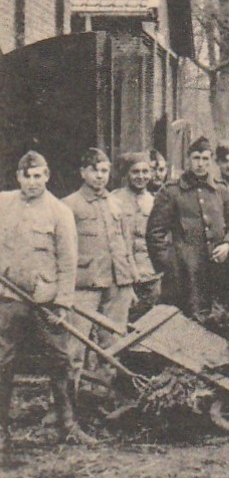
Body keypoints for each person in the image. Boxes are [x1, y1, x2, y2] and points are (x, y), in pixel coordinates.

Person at [0, 152, 93, 451]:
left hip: (46, 303)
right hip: (10, 299)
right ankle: (2, 431)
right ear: (18, 177)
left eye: (38, 176)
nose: (32, 182)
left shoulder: (59, 211)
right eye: (27, 176)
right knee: (3, 362)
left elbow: (68, 262)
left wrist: (63, 304)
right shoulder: (3, 204)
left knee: (60, 362)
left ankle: (67, 425)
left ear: (47, 175)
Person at [147, 137, 229, 318]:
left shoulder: (220, 190)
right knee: (190, 320)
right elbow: (154, 234)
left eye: (205, 159)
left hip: (220, 271)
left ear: (211, 161)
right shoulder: (172, 191)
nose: (200, 164)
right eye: (196, 158)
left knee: (222, 321)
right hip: (185, 275)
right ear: (188, 159)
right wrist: (172, 264)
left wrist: (228, 245)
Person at [61, 148, 138, 376]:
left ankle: (107, 398)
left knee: (113, 346)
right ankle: (68, 405)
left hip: (117, 284)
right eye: (94, 170)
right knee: (75, 347)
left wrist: (130, 282)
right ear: (82, 172)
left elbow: (126, 244)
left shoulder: (116, 203)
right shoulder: (68, 205)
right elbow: (63, 251)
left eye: (104, 170)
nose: (100, 176)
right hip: (85, 284)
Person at [109, 152, 162, 317]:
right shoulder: (114, 199)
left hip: (150, 275)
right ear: (127, 174)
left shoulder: (156, 201)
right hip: (123, 277)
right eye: (135, 172)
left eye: (145, 172)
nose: (141, 176)